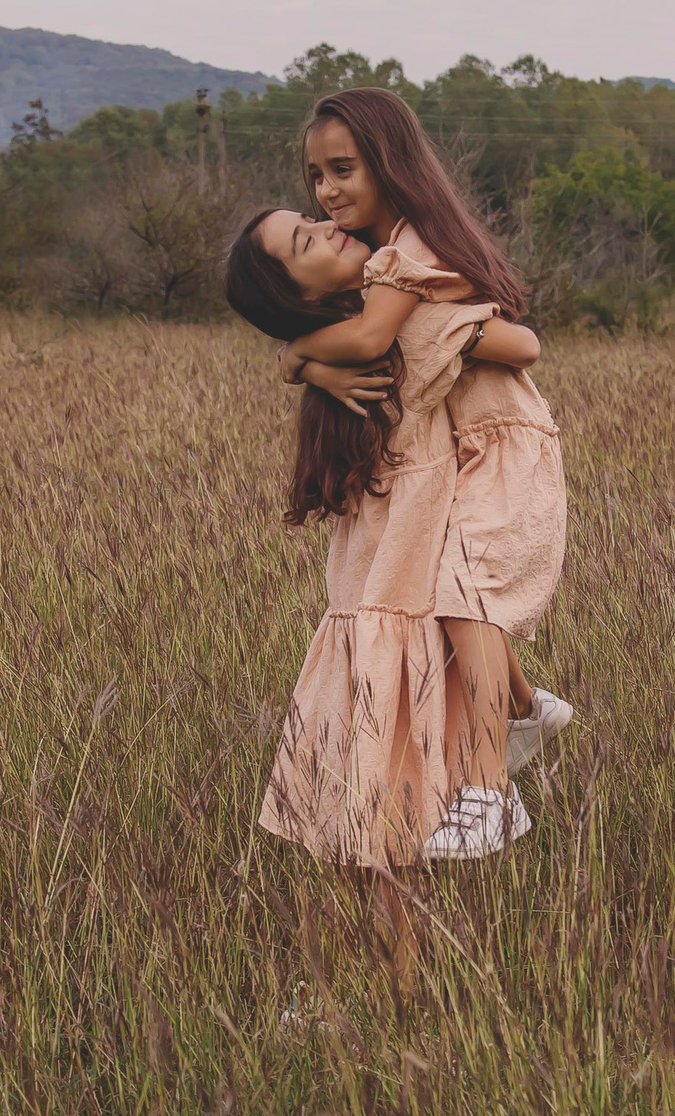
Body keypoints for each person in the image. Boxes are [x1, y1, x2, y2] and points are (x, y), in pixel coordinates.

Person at [223, 88, 569, 867]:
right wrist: (302, 357)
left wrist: (301, 357)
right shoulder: (385, 260)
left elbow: (518, 346)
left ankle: (489, 789)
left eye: (342, 170)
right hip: (467, 447)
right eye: (316, 179)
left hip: (501, 446)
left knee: (463, 590)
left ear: (390, 161)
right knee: (457, 587)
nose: (327, 195)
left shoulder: (407, 255)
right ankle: (523, 707)